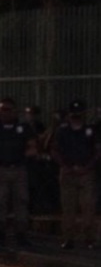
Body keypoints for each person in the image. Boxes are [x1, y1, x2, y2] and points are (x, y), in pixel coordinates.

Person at [0, 97, 35, 247]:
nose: (3, 113)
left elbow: (32, 148)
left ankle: (21, 235)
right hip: (0, 169)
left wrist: (20, 156)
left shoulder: (23, 128)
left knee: (21, 202)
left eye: (7, 110)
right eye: (1, 109)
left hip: (19, 169)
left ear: (14, 111)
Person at [51, 99, 98, 249]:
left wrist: (88, 167)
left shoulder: (91, 131)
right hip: (68, 172)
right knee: (68, 207)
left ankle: (89, 238)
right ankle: (68, 238)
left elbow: (98, 151)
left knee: (88, 207)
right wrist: (65, 166)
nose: (76, 116)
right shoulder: (62, 130)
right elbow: (54, 150)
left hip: (86, 172)